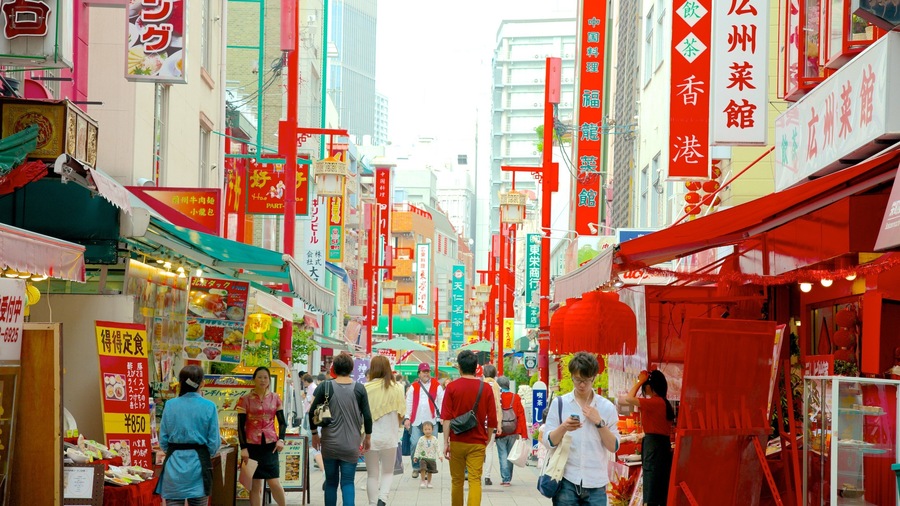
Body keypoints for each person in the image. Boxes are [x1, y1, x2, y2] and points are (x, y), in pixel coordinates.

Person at [542, 352, 620, 506]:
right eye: (577, 380)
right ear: (571, 376)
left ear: (594, 377)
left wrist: (599, 422)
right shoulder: (560, 404)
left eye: (586, 380)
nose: (582, 385)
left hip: (596, 483)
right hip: (566, 479)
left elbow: (614, 447)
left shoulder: (606, 407)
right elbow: (548, 441)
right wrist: (564, 427)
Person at [309, 353, 373, 506]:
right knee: (348, 482)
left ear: (334, 369)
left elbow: (312, 412)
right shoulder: (359, 388)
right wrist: (368, 438)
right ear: (351, 368)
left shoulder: (325, 386)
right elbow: (368, 417)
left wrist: (314, 435)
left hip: (329, 443)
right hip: (351, 444)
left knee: (331, 482)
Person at [156, 365, 220, 506]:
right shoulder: (209, 406)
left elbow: (163, 440)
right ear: (202, 383)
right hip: (199, 465)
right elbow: (214, 443)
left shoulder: (170, 405)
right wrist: (205, 453)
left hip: (173, 464)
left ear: (180, 383)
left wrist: (174, 451)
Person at [441, 350, 497, 506]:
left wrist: (446, 442)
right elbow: (492, 420)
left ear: (459, 367)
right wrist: (487, 438)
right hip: (477, 442)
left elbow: (446, 418)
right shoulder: (485, 388)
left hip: (457, 440)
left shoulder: (451, 388)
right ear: (476, 367)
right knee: (474, 480)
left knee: (457, 481)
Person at [620, 369, 675, 506]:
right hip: (660, 445)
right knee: (659, 484)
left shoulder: (655, 402)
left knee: (652, 483)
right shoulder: (663, 402)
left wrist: (641, 381)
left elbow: (629, 398)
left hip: (654, 447)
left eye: (646, 386)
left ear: (651, 386)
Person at [236, 367, 288, 506]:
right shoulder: (245, 400)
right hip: (251, 446)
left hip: (270, 445)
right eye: (259, 377)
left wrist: (281, 439)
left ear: (269, 380)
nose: (263, 380)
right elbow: (240, 426)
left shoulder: (275, 398)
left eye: (265, 377)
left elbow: (282, 422)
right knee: (255, 484)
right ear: (254, 379)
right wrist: (243, 448)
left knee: (274, 481)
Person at [364, 355, 406, 506]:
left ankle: (372, 503)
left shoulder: (364, 388)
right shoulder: (398, 388)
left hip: (370, 437)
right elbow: (401, 415)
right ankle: (383, 499)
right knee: (388, 472)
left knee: (372, 475)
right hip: (390, 436)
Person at [404, 362, 445, 478]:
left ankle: (427, 469)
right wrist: (407, 417)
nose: (426, 374)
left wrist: (442, 416)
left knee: (431, 446)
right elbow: (409, 403)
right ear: (419, 373)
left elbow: (441, 401)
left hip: (432, 420)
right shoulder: (413, 387)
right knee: (415, 443)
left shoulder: (437, 386)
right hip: (416, 420)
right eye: (424, 371)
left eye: (428, 371)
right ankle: (416, 467)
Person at [494, 376, 528, 486]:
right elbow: (521, 416)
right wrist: (523, 433)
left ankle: (506, 479)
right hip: (513, 431)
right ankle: (508, 477)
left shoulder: (497, 398)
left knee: (502, 455)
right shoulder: (516, 397)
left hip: (501, 431)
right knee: (510, 454)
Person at [480, 364, 503, 486]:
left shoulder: (480, 385)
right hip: (492, 422)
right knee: (489, 450)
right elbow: (499, 406)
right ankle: (487, 477)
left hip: (480, 421)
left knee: (478, 449)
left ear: (483, 374)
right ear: (495, 375)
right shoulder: (497, 387)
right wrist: (499, 424)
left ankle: (477, 474)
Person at [413, 421, 441, 488]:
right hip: (423, 457)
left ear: (432, 429)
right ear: (422, 430)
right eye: (425, 429)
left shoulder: (434, 439)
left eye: (429, 429)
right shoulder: (421, 439)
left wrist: (440, 456)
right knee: (423, 469)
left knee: (430, 471)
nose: (427, 431)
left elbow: (438, 447)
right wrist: (416, 456)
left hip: (431, 458)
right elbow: (418, 448)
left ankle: (429, 482)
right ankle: (423, 481)